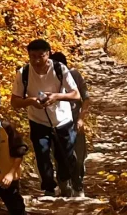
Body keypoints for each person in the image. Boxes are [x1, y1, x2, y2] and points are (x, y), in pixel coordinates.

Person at [11, 38, 81, 197]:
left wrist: (56, 96)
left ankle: (65, 182)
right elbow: (14, 102)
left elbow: (76, 95)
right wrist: (30, 101)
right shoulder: (24, 73)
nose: (36, 60)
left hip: (63, 120)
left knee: (65, 155)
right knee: (42, 155)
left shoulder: (59, 69)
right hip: (38, 120)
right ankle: (49, 188)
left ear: (48, 54)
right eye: (32, 56)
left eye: (40, 56)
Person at [52, 49, 90, 195]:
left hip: (74, 122)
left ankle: (78, 184)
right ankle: (64, 187)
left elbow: (85, 99)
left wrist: (81, 119)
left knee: (79, 157)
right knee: (60, 156)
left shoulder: (75, 75)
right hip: (58, 123)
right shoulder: (47, 78)